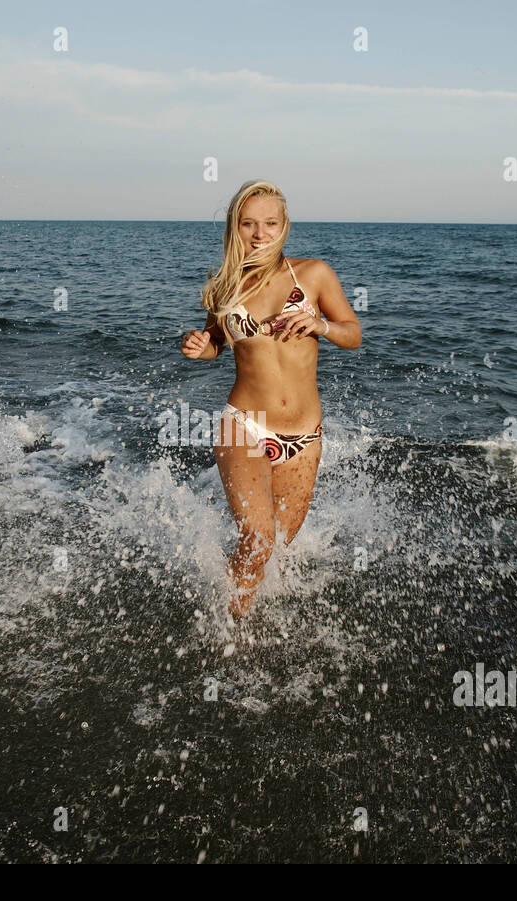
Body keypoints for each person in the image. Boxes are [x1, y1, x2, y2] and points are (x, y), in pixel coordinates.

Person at [180, 180, 362, 619]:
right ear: (234, 227)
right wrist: (199, 346)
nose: (259, 234)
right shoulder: (224, 286)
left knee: (275, 543)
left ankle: (235, 596)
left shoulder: (314, 274)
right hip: (245, 422)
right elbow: (216, 345)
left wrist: (319, 326)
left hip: (304, 435)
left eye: (270, 223)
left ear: (284, 226)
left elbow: (353, 334)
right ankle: (232, 633)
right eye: (248, 224)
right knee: (259, 537)